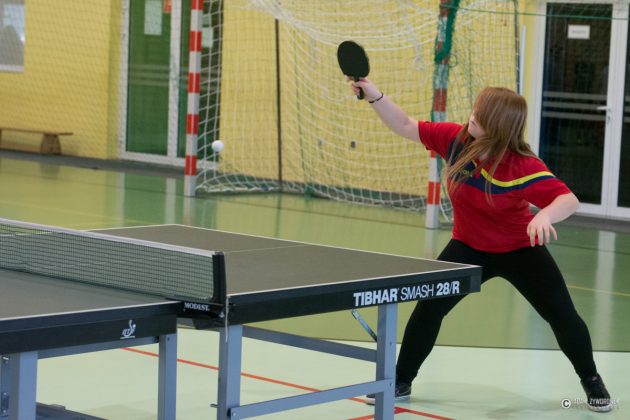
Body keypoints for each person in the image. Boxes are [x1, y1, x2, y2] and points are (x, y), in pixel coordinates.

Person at [349, 78, 614, 413]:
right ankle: (401, 379)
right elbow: (404, 125)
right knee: (429, 308)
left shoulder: (521, 166)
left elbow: (567, 199)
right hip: (468, 247)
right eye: (476, 109)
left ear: (499, 125)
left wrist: (545, 215)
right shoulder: (456, 140)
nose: (472, 116)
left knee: (562, 316)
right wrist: (375, 95)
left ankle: (591, 379)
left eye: (482, 114)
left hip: (520, 250)